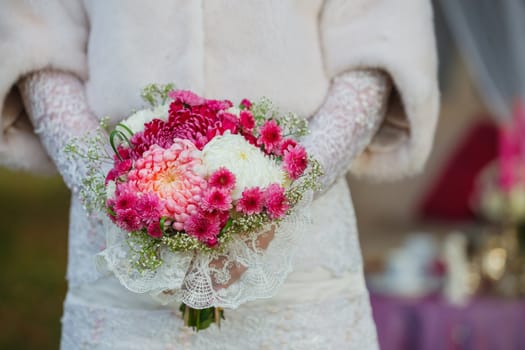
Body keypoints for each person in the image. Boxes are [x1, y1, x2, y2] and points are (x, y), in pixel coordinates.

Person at [0, 1, 439, 348]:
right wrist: (112, 191)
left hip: (298, 256)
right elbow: (38, 42)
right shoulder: (115, 197)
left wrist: (286, 192)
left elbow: (377, 42)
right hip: (119, 255)